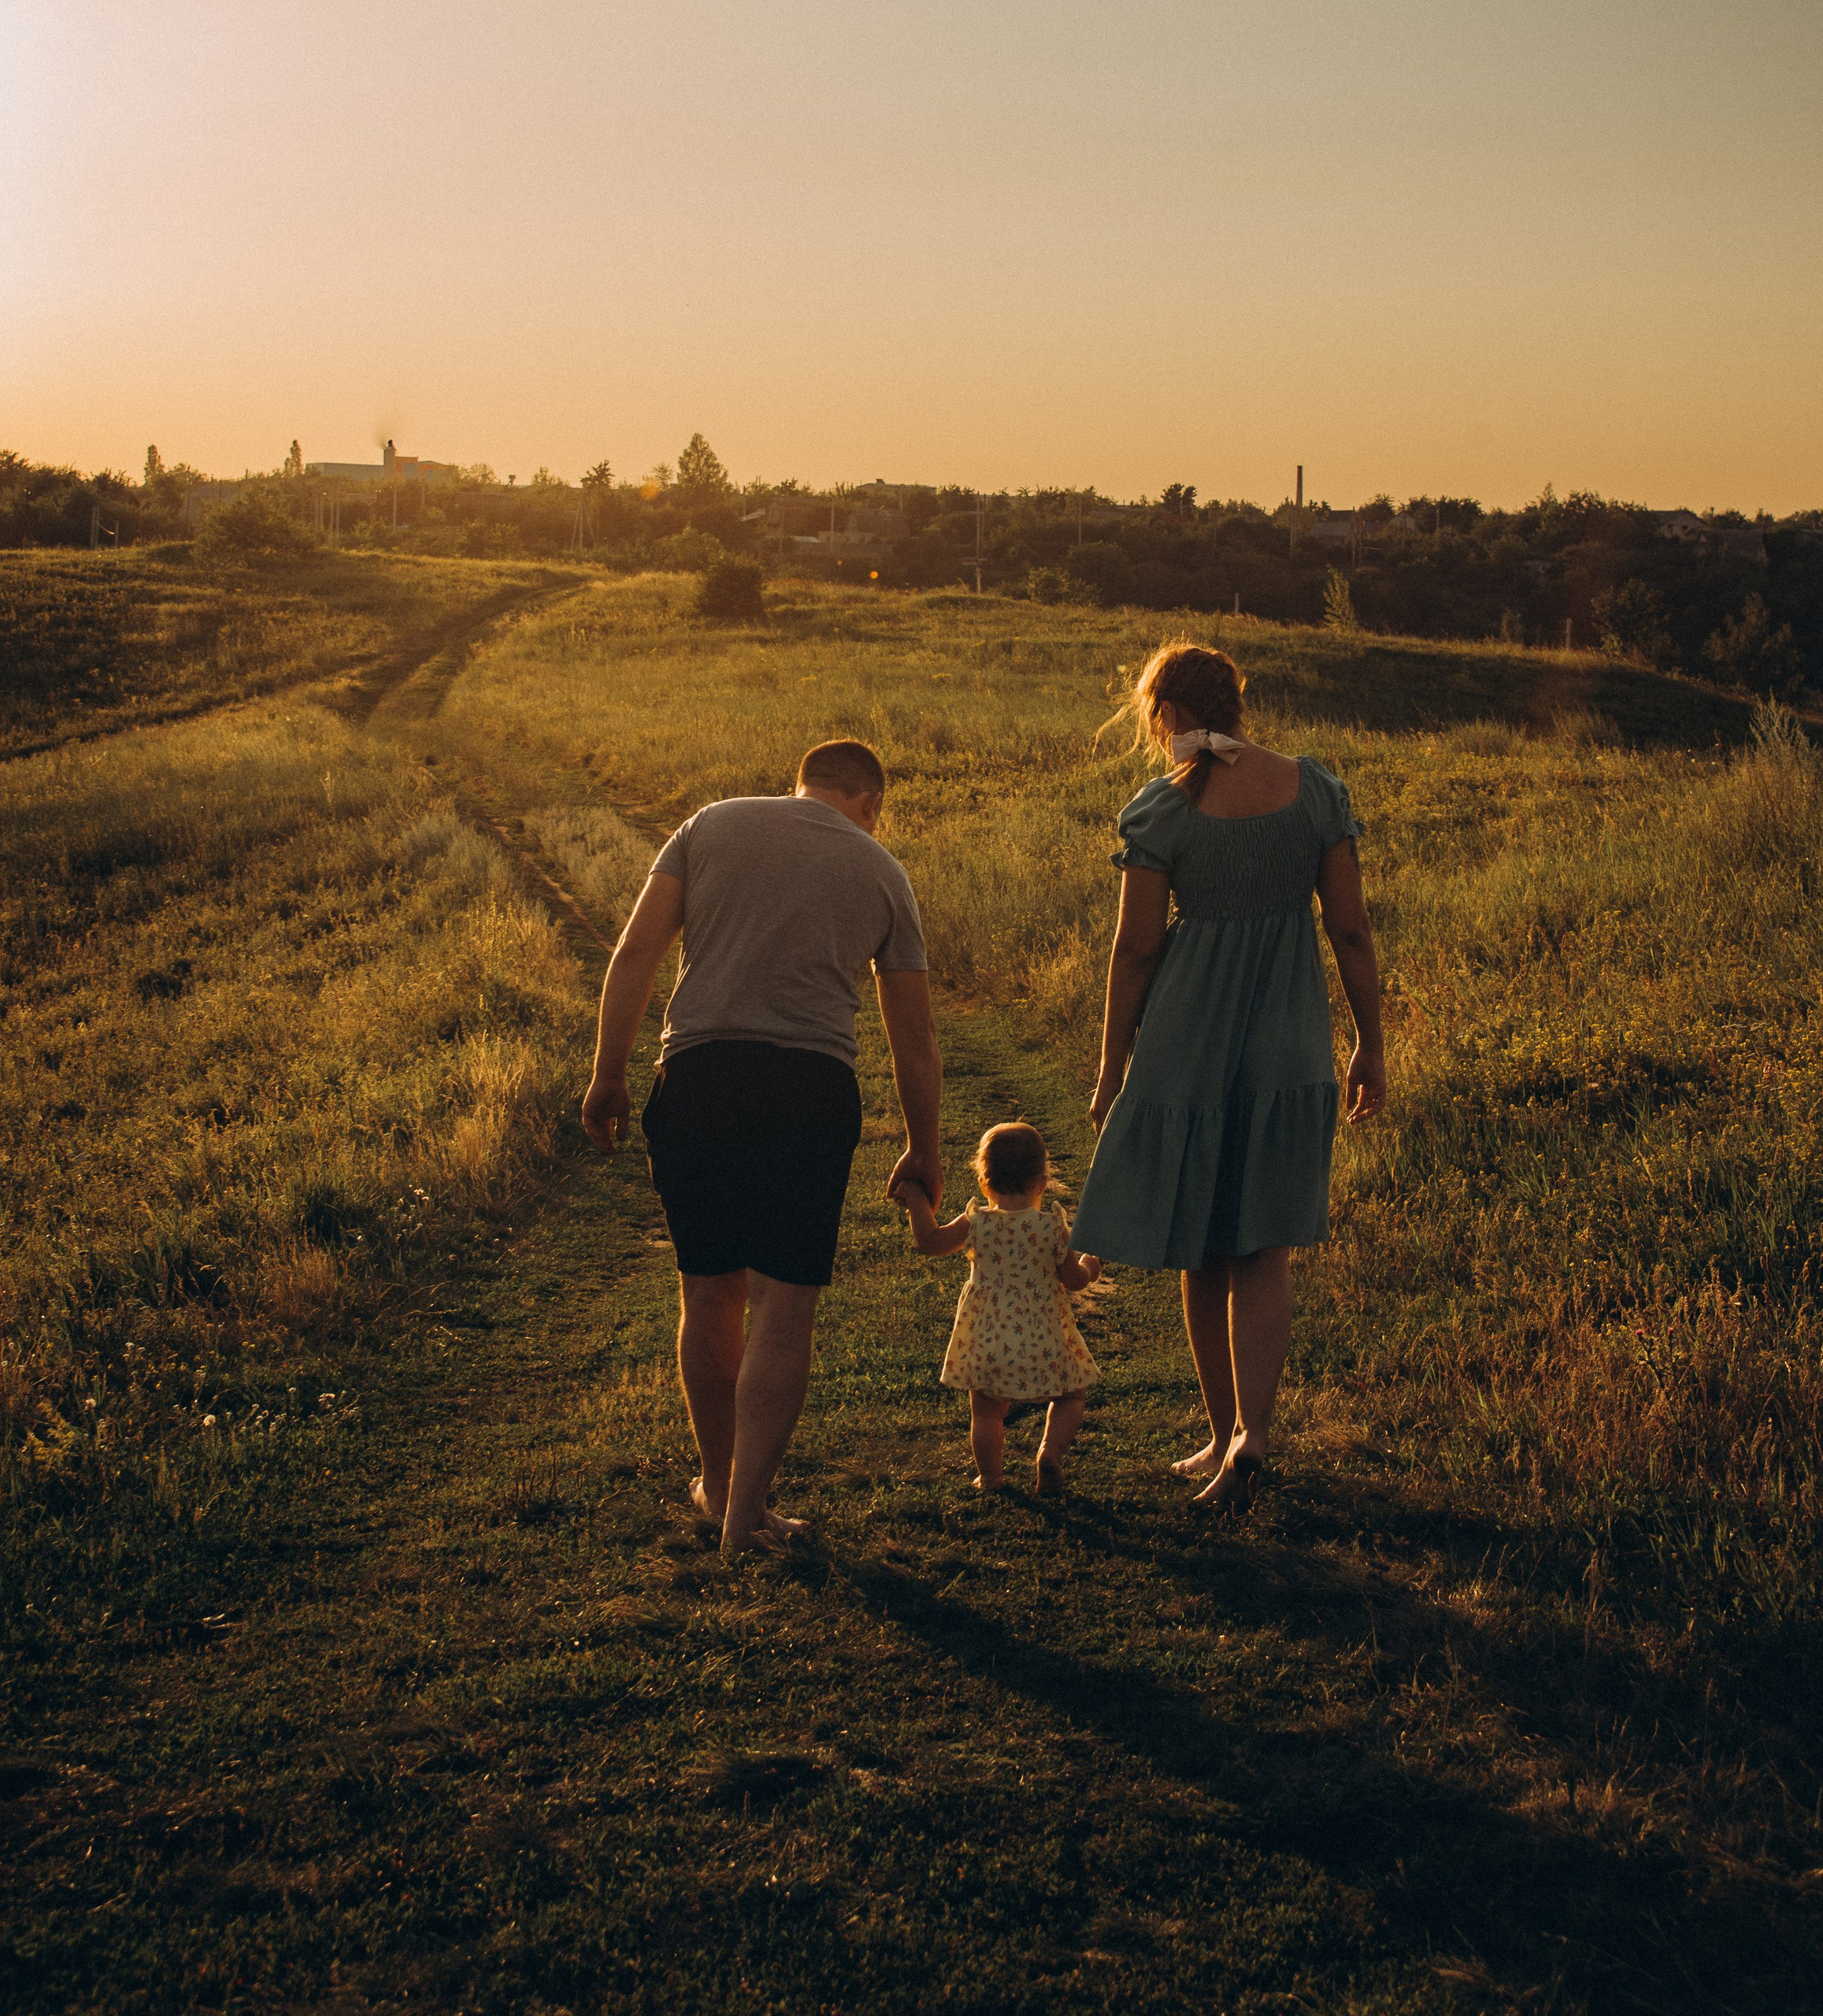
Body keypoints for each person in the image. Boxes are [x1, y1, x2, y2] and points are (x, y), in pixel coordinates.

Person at [580, 737, 943, 1553]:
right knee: (784, 1304)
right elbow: (914, 1038)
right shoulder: (883, 869)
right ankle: (746, 1513)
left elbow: (635, 952)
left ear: (800, 784)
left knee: (709, 1294)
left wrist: (608, 1074)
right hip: (809, 1091)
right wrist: (924, 1147)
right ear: (869, 803)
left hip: (697, 1076)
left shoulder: (708, 824)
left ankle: (715, 1484)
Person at [1073, 642, 1384, 1512]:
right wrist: (1370, 1042)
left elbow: (1136, 949)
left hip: (1187, 1037)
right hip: (1288, 1036)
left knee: (1202, 1248)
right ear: (1236, 703)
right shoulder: (1316, 790)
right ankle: (1249, 1433)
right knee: (1263, 1248)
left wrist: (1111, 1066)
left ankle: (1221, 1433)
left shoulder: (1163, 808)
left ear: (1166, 713)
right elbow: (1351, 930)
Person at [893, 1121, 1101, 1495]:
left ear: (984, 1182)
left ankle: (990, 1476)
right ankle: (1049, 1452)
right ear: (1042, 1181)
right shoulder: (1052, 1228)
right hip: (1044, 1339)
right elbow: (1073, 1280)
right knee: (1071, 1395)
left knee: (987, 1412)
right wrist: (1089, 1267)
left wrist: (914, 1197)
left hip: (988, 1340)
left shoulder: (977, 1222)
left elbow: (930, 1241)